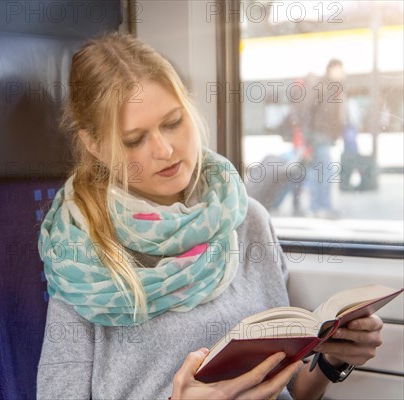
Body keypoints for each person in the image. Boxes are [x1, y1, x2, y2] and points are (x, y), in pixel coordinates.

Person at [37, 34, 383, 399]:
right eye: (135, 139)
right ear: (95, 146)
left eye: (173, 122)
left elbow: (293, 388)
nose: (165, 149)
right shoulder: (81, 257)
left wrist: (330, 361)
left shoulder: (247, 220)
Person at [306, 59, 348, 218]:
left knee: (323, 173)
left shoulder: (336, 88)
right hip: (320, 137)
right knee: (324, 173)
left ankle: (319, 207)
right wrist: (310, 138)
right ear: (331, 69)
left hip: (327, 138)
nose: (343, 73)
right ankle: (321, 207)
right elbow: (310, 112)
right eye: (340, 69)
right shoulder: (323, 87)